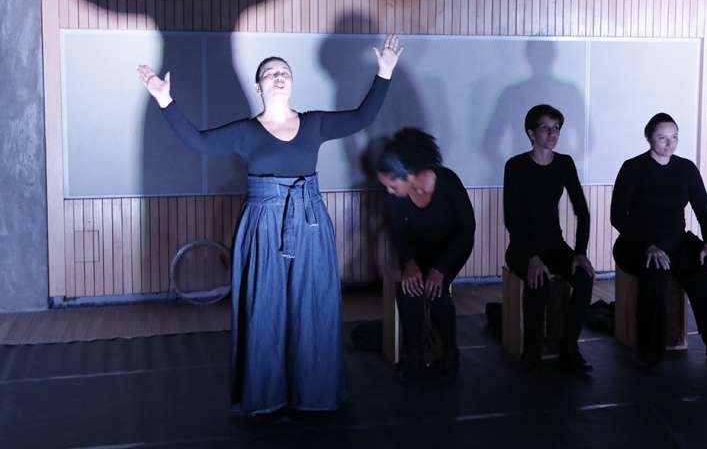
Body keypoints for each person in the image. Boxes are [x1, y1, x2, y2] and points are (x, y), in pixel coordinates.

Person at [137, 34, 404, 415]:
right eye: (269, 73)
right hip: (263, 223)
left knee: (313, 305)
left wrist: (384, 72)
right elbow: (196, 141)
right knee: (265, 308)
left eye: (284, 72)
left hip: (309, 219)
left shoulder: (314, 124)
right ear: (259, 86)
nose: (278, 76)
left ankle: (314, 393)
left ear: (291, 83)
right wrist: (164, 99)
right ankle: (265, 395)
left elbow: (362, 117)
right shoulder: (245, 131)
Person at [611, 113, 707, 371]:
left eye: (674, 138)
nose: (669, 144)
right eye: (662, 138)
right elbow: (618, 216)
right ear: (649, 138)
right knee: (655, 272)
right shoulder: (633, 167)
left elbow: (704, 212)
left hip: (677, 242)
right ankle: (650, 353)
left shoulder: (686, 168)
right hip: (637, 243)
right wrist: (647, 244)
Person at [376, 128, 475, 383]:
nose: (389, 191)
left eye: (392, 184)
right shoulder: (397, 196)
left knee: (436, 291)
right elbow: (398, 231)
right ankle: (414, 356)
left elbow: (466, 231)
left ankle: (450, 355)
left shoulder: (448, 182)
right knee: (408, 289)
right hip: (417, 252)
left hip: (451, 250)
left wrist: (441, 269)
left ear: (409, 175)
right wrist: (409, 263)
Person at [503, 104, 595, 373]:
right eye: (546, 128)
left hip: (554, 244)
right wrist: (531, 257)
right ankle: (532, 352)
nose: (552, 133)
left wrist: (580, 252)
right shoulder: (516, 166)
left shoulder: (564, 163)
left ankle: (569, 348)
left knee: (584, 277)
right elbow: (512, 218)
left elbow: (583, 212)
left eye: (556, 128)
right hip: (522, 247)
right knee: (538, 281)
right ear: (531, 133)